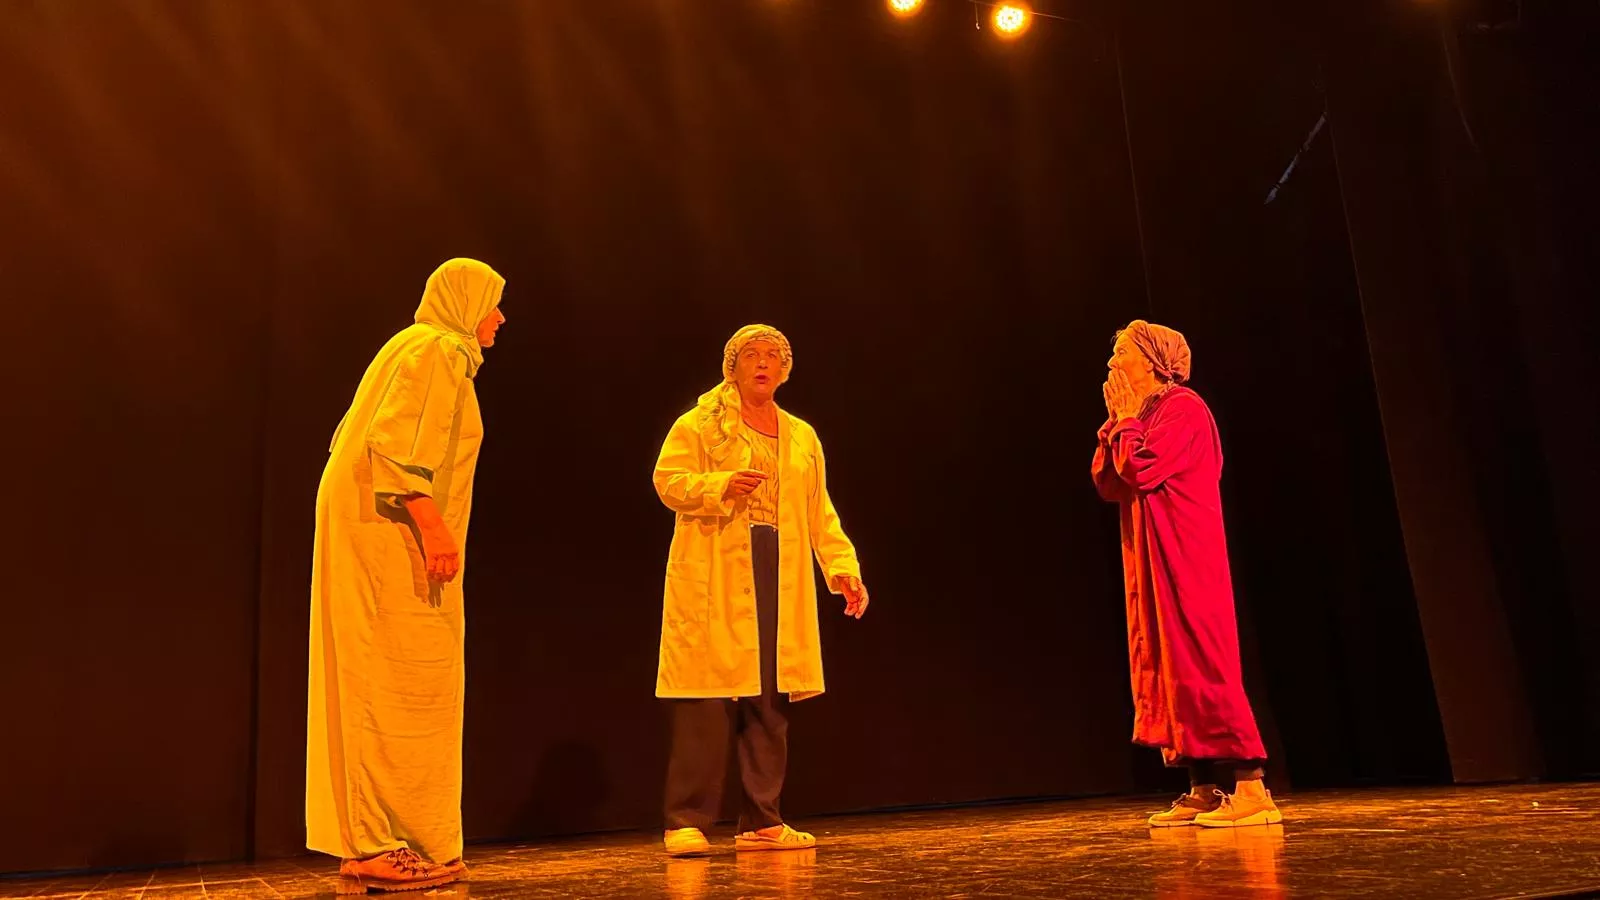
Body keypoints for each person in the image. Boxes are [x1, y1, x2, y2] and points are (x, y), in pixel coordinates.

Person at [306, 259, 508, 893]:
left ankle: (407, 837)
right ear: (464, 302)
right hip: (388, 526)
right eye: (493, 304)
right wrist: (432, 524)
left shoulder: (413, 348)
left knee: (409, 673)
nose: (500, 318)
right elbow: (395, 445)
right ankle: (375, 843)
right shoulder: (439, 348)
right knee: (383, 672)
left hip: (376, 522)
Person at [652, 324, 870, 857]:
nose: (763, 362)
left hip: (779, 562)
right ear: (733, 365)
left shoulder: (802, 434)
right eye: (752, 354)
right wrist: (719, 484)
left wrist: (841, 566)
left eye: (773, 355)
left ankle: (762, 819)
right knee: (705, 695)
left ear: (786, 369)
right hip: (719, 561)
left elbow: (819, 507)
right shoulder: (699, 425)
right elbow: (667, 480)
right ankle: (687, 819)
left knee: (770, 693)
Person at [1092, 320, 1282, 829]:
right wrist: (1117, 422)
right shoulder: (1143, 412)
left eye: (1122, 354)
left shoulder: (1184, 408)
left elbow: (1142, 470)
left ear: (1154, 363)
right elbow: (1110, 481)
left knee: (1201, 656)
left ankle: (1251, 787)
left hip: (1188, 553)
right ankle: (1201, 787)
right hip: (1152, 556)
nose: (1112, 364)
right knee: (1165, 662)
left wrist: (1127, 420)